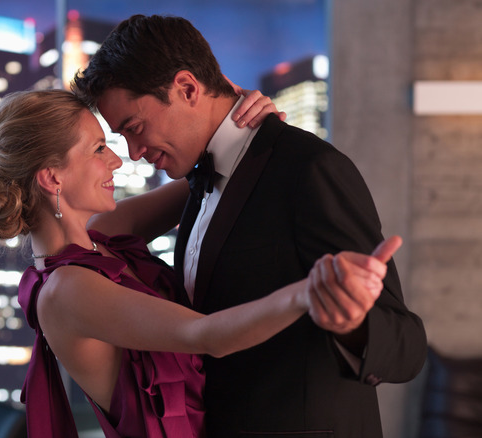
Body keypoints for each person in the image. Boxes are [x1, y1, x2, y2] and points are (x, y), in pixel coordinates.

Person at [71, 14, 427, 438]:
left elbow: (406, 345)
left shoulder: (308, 169)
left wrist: (352, 321)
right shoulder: (198, 181)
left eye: (134, 128)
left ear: (187, 88)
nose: (132, 152)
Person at [0, 89, 400, 437]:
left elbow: (222, 174)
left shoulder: (104, 233)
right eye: (99, 148)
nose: (117, 160)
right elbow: (207, 334)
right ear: (51, 177)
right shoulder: (67, 292)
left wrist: (248, 126)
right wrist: (310, 290)